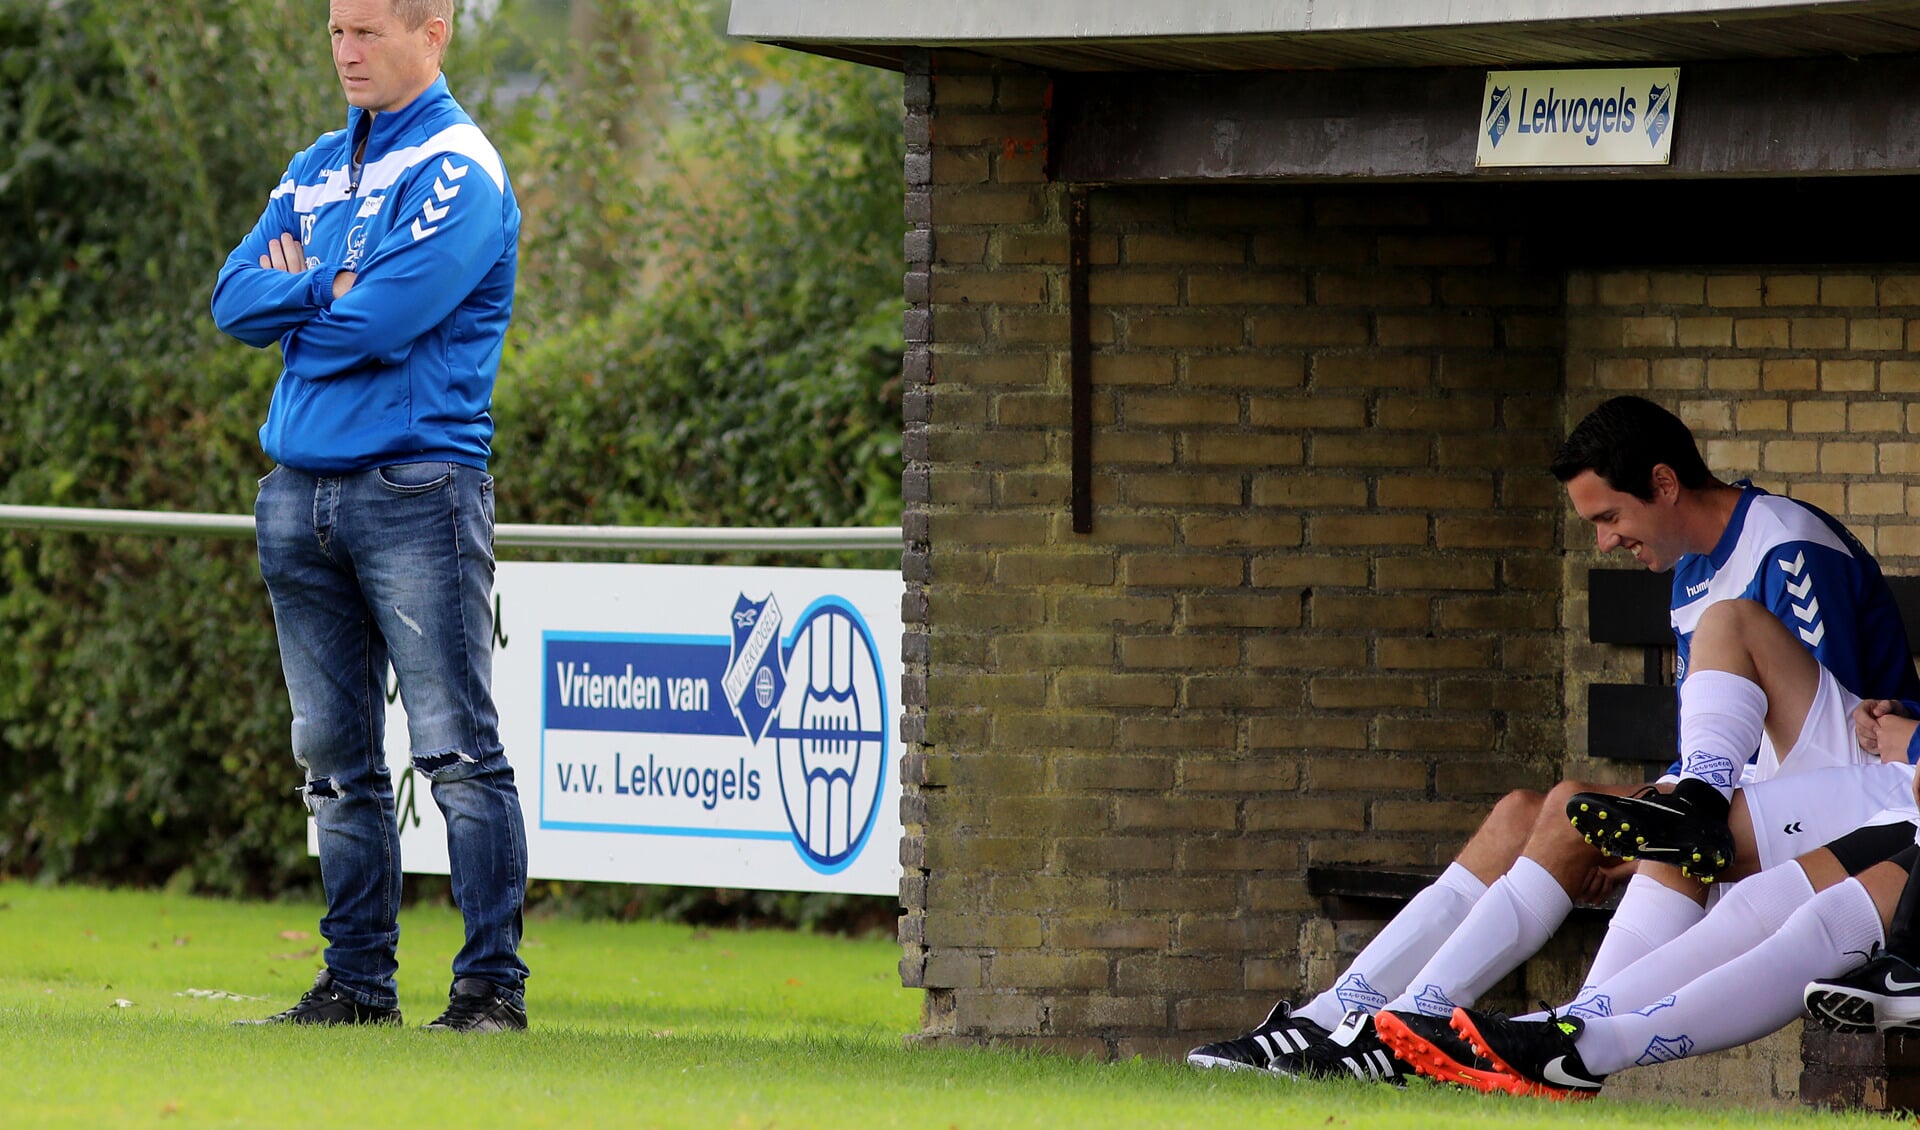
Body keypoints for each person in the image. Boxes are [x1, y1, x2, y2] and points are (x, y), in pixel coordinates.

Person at [1186, 396, 1920, 1079]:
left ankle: (1414, 1029)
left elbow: (1844, 724)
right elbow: (1718, 732)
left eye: (1609, 517)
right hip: (1743, 798)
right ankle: (1334, 1016)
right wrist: (1659, 808)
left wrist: (1663, 826)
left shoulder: (1787, 546)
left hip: (1845, 803)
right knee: (1518, 813)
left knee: (1574, 807)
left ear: (1663, 483)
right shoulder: (1691, 572)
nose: (1606, 541)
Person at [211, 0, 527, 1031]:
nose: (347, 52)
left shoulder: (458, 169)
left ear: (432, 31)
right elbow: (228, 299)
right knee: (334, 764)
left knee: (454, 751)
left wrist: (305, 293)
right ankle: (356, 985)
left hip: (415, 488)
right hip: (296, 492)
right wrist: (319, 292)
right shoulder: (314, 161)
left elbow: (386, 316)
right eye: (337, 32)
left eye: (368, 33)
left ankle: (489, 991)